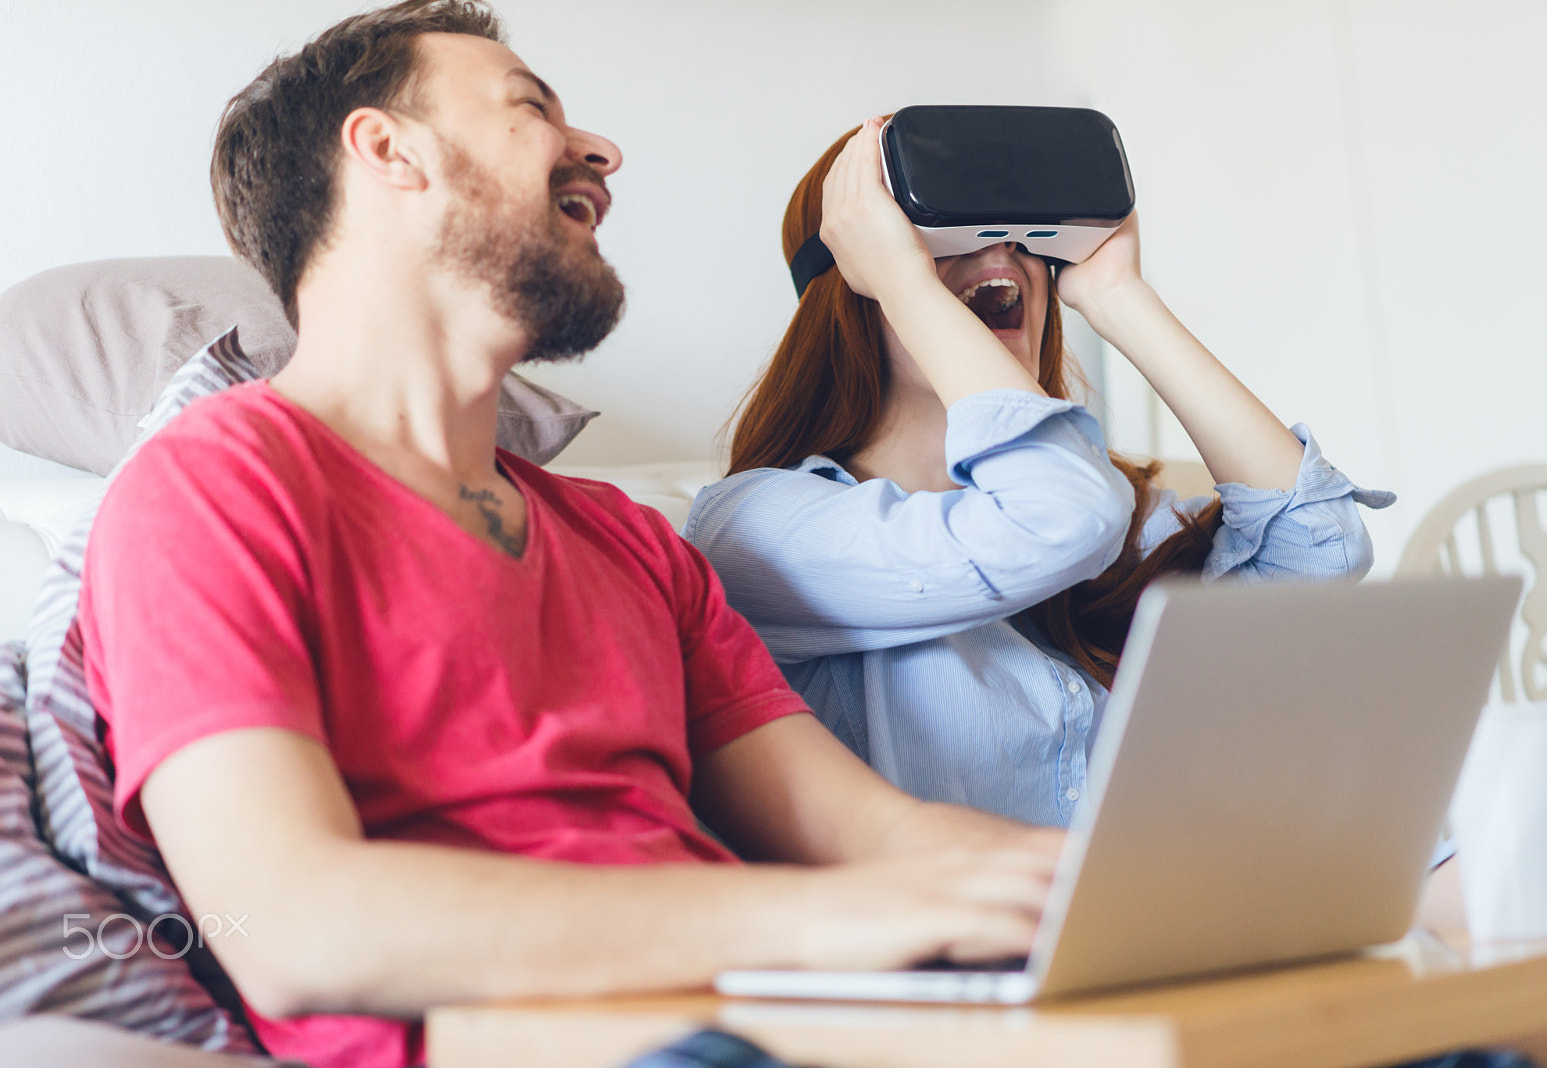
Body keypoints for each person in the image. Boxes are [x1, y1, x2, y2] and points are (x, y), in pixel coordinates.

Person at [75, 6, 1065, 1068]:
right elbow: (286, 925)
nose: (601, 151)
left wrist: (1100, 887)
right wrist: (829, 922)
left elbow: (873, 833)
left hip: (773, 1017)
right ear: (386, 151)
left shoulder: (623, 540)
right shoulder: (213, 489)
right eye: (530, 107)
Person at [685, 118, 1395, 826]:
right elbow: (1058, 520)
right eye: (943, 231)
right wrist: (904, 282)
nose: (1002, 249)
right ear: (855, 274)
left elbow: (1321, 552)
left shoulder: (1105, 505)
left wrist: (1119, 296)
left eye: (1026, 237)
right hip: (956, 935)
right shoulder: (756, 527)